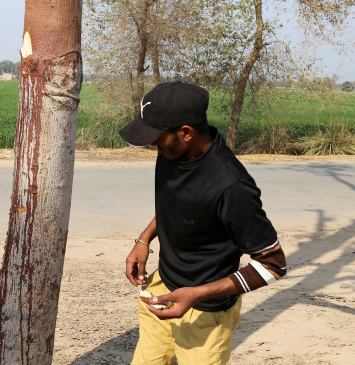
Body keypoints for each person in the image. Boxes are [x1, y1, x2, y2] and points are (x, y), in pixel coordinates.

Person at [120, 82, 287, 365]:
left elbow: (274, 265)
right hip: (162, 286)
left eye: (157, 136)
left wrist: (196, 294)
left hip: (205, 311)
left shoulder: (232, 186)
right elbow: (182, 205)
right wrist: (144, 239)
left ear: (186, 133)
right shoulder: (173, 152)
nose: (152, 144)